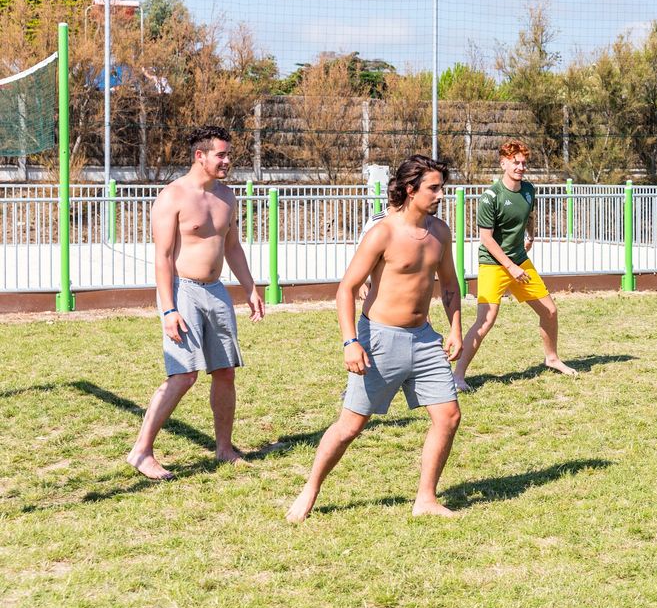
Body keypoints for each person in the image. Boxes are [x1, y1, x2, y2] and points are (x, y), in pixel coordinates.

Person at [287, 155, 464, 521]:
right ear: (411, 190)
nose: (441, 195)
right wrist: (350, 342)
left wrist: (456, 328)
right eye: (433, 188)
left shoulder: (440, 232)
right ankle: (311, 488)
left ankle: (426, 499)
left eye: (441, 187)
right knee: (351, 426)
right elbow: (346, 290)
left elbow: (449, 285)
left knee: (448, 417)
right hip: (380, 339)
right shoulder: (382, 232)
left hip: (425, 339)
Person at [127, 125, 265, 480]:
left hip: (216, 291)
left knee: (225, 371)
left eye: (229, 154)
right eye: (221, 154)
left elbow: (232, 247)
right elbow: (162, 256)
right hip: (182, 290)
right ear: (199, 156)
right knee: (183, 374)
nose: (228, 161)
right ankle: (142, 451)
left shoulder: (227, 196)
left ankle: (223, 448)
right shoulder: (172, 196)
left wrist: (249, 287)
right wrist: (169, 308)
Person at [452, 140, 576, 392]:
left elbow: (529, 214)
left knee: (550, 311)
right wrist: (509, 267)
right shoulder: (491, 196)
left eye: (523, 163)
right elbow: (486, 237)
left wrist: (530, 235)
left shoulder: (529, 190)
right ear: (503, 163)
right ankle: (457, 376)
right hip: (494, 264)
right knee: (485, 321)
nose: (520, 167)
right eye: (515, 163)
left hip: (520, 261)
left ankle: (551, 358)